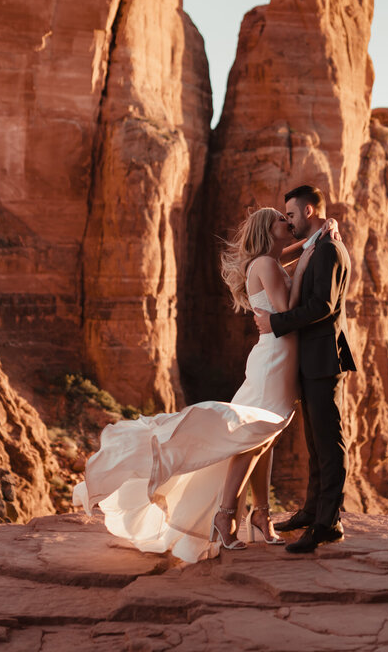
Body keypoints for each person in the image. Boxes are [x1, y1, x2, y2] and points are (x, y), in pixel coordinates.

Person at [72, 206, 325, 561]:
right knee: (252, 438)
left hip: (278, 359)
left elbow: (291, 261)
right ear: (269, 231)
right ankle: (225, 516)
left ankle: (260, 516)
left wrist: (313, 242)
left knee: (261, 440)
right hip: (274, 360)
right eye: (281, 220)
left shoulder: (268, 261)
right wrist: (305, 266)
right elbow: (286, 310)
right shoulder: (267, 266)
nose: (289, 222)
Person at [254, 184, 356, 554]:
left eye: (293, 215)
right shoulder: (319, 245)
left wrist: (276, 324)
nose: (290, 222)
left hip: (322, 357)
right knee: (316, 443)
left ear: (309, 211)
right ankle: (313, 511)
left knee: (330, 444)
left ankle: (328, 524)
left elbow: (323, 306)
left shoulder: (328, 248)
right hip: (312, 357)